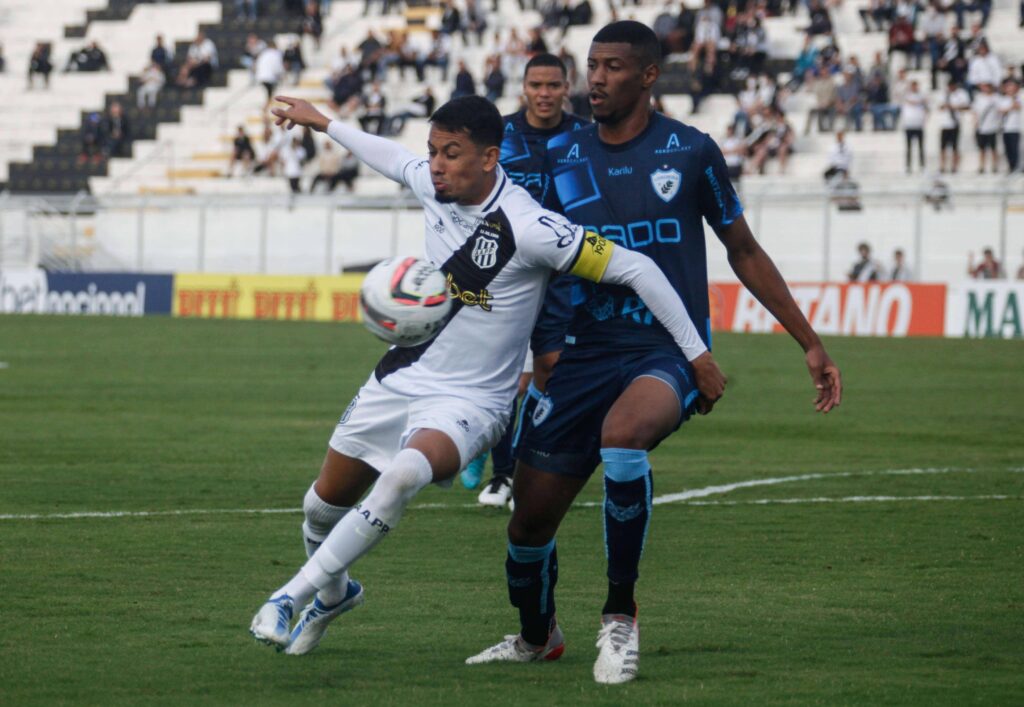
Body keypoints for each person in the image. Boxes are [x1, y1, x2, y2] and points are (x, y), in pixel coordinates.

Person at [249, 93, 725, 662]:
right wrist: (324, 123)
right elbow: (390, 158)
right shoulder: (432, 182)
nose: (436, 165)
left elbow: (636, 267)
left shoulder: (529, 227)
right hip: (402, 376)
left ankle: (287, 596)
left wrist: (697, 355)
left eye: (451, 154)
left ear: (490, 157)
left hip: (473, 400)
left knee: (403, 475)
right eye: (432, 152)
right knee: (319, 509)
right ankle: (334, 593)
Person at [466, 21, 841, 685]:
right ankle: (537, 635)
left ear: (648, 76)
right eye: (593, 65)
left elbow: (744, 250)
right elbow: (530, 255)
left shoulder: (690, 151)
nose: (597, 79)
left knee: (624, 434)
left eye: (612, 66)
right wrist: (524, 341)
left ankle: (619, 616)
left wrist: (808, 341)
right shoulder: (563, 155)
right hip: (581, 353)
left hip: (668, 350)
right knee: (527, 525)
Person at [471, 52, 588, 507]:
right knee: (506, 381)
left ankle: (521, 471)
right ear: (524, 88)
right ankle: (501, 474)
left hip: (562, 272)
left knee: (549, 371)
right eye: (536, 85)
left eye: (553, 86)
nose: (544, 94)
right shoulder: (500, 134)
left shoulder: (585, 136)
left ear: (566, 87)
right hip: (505, 272)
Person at [938, 80, 970, 173]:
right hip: (945, 124)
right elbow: (939, 107)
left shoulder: (961, 94)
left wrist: (955, 107)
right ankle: (942, 166)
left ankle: (954, 166)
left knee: (955, 147)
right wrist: (946, 105)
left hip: (955, 123)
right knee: (943, 147)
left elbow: (966, 106)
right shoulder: (944, 95)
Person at [972, 82, 1000, 173]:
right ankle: (982, 166)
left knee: (993, 149)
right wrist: (975, 123)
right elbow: (975, 111)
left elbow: (999, 110)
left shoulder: (995, 98)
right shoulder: (979, 98)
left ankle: (995, 166)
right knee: (982, 149)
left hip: (992, 127)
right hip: (981, 127)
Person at [901, 80, 927, 173]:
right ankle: (908, 166)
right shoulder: (907, 95)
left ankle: (922, 166)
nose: (914, 88)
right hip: (909, 124)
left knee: (921, 147)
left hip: (919, 125)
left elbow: (924, 104)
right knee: (909, 148)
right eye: (912, 86)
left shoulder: (922, 95)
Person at [998, 79, 1021, 173]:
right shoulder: (1003, 99)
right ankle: (1011, 166)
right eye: (1008, 86)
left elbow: (1018, 106)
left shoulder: (1019, 97)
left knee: (1016, 149)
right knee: (1008, 149)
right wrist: (1011, 107)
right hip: (1005, 127)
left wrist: (1013, 100)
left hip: (1016, 128)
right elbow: (1001, 110)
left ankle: (1017, 166)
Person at [254, 40, 284, 106]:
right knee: (270, 95)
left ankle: (265, 111)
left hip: (261, 77)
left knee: (269, 95)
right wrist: (281, 74)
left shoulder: (263, 53)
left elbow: (257, 65)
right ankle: (265, 110)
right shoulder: (276, 53)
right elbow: (277, 66)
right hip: (270, 78)